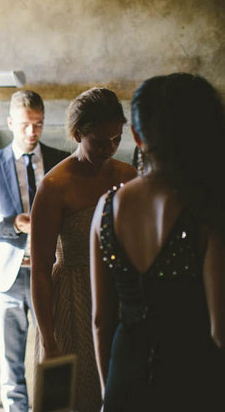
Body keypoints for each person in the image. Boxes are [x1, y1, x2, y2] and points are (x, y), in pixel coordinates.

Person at [90, 73, 225, 411]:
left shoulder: (106, 207)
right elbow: (220, 328)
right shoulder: (208, 207)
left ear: (136, 135)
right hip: (193, 379)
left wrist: (111, 392)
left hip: (124, 374)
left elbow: (101, 321)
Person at [30, 88, 136, 412]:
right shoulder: (53, 186)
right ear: (78, 134)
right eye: (100, 141)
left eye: (116, 139)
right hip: (70, 302)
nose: (109, 148)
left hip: (117, 296)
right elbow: (40, 270)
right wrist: (49, 341)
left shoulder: (127, 175)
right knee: (69, 399)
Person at [0, 90, 69, 412]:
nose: (33, 132)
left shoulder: (61, 160)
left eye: (39, 124)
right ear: (11, 122)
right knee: (11, 366)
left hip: (53, 273)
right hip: (7, 279)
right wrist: (13, 222)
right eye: (27, 125)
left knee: (54, 356)